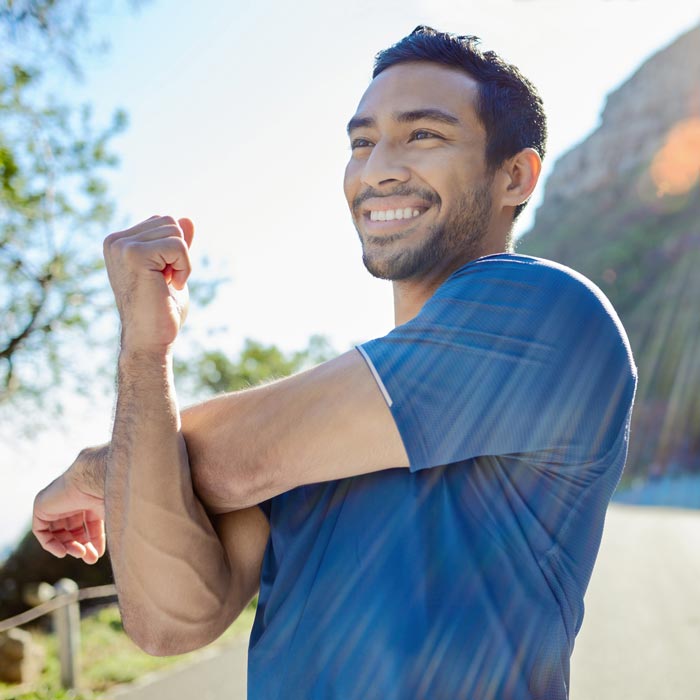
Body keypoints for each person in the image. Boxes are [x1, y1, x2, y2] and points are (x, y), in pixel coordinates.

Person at [32, 26, 636, 700]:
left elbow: (234, 460)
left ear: (514, 176)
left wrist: (98, 468)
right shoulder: (319, 427)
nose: (377, 167)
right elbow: (170, 623)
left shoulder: (545, 311)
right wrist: (145, 353)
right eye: (361, 141)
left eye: (423, 135)